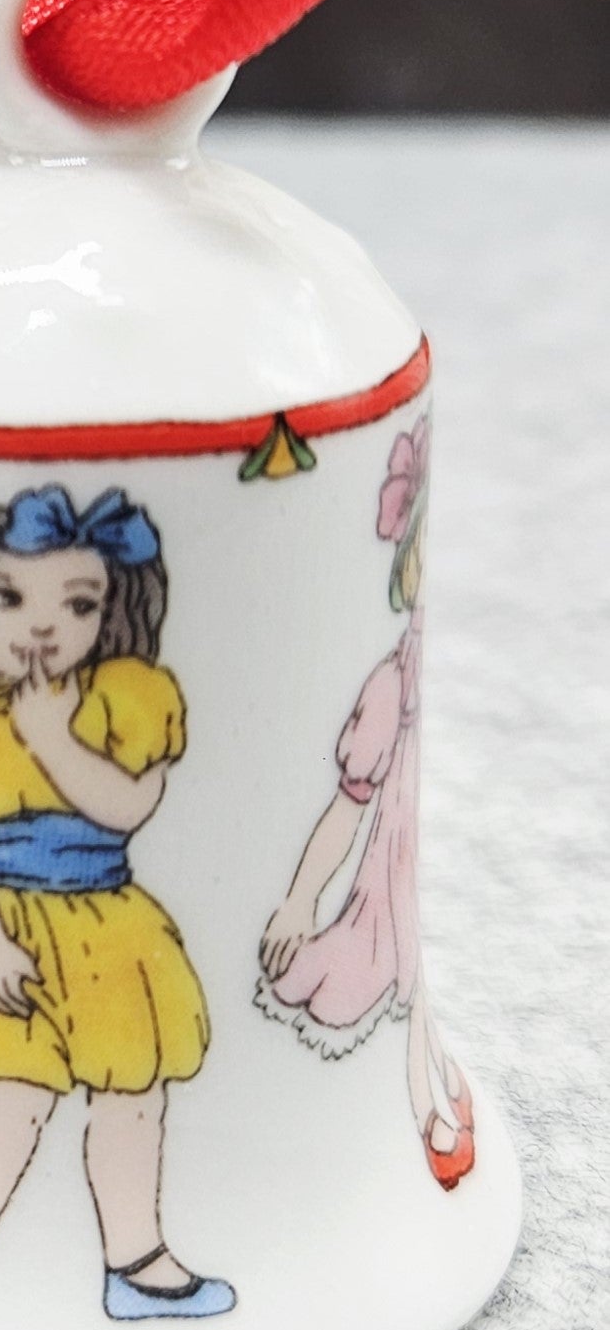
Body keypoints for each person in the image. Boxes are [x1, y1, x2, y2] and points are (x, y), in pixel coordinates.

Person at [0, 486, 234, 1321]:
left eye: (78, 604)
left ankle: (135, 1259)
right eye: (10, 598)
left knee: (134, 1092)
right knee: (14, 1090)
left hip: (109, 927)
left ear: (111, 610)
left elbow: (127, 808)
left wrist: (51, 738)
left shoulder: (128, 696)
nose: (43, 626)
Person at [255, 418, 474, 1188]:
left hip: (390, 868)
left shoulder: (395, 665)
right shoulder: (386, 683)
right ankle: (427, 1112)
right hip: (378, 879)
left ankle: (424, 1112)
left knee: (404, 990)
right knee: (395, 980)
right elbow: (345, 807)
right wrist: (296, 903)